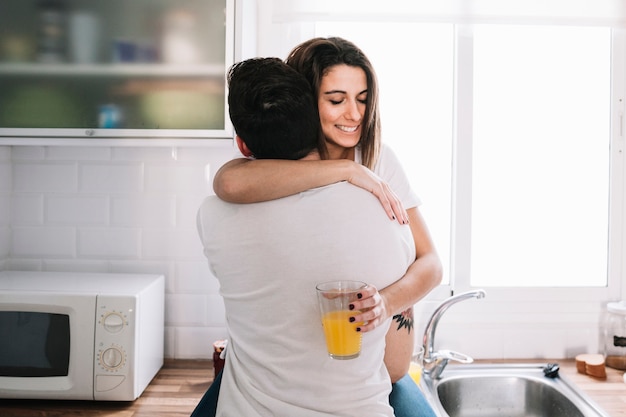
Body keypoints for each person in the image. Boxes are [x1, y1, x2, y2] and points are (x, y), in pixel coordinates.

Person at [213, 37, 441, 416]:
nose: (354, 114)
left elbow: (430, 261)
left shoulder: (379, 158)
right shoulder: (281, 162)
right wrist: (346, 171)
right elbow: (229, 183)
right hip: (297, 379)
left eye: (363, 99)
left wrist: (386, 302)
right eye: (337, 100)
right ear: (305, 99)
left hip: (385, 376)